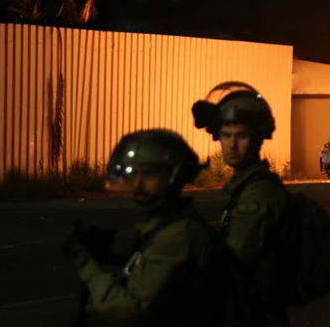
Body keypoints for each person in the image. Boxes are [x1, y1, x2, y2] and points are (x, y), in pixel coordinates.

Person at [61, 129, 223, 326]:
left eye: (149, 173)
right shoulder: (165, 225)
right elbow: (148, 274)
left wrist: (84, 260)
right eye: (134, 173)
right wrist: (109, 257)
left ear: (174, 174)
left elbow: (128, 309)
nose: (138, 183)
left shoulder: (177, 235)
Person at [192, 81, 291, 327]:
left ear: (258, 139)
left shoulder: (257, 195)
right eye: (226, 135)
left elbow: (233, 267)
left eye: (242, 136)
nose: (232, 145)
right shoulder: (247, 187)